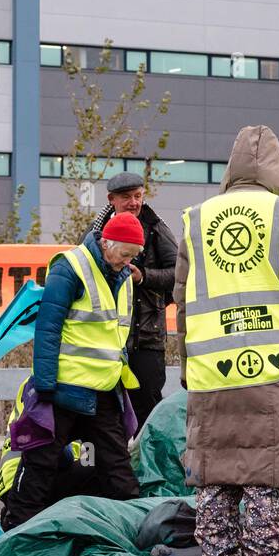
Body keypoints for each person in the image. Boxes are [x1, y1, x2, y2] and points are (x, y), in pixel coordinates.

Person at [174, 125, 279, 556]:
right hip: (269, 368)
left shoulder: (195, 219)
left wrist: (189, 362)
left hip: (211, 368)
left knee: (215, 480)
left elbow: (181, 302)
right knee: (268, 478)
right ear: (278, 168)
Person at [2, 212, 144, 530]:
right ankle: (16, 532)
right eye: (125, 255)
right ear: (107, 244)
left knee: (118, 469)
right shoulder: (70, 268)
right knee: (41, 465)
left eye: (133, 256)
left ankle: (136, 534)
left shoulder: (123, 277)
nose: (128, 263)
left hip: (104, 388)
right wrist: (45, 383)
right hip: (63, 388)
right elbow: (48, 328)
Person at [85, 172, 179, 430]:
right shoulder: (94, 234)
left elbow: (180, 273)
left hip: (147, 339)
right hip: (105, 340)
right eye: (126, 197)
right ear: (111, 199)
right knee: (106, 413)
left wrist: (144, 277)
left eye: (138, 196)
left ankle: (147, 468)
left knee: (147, 412)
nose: (134, 203)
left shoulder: (157, 229)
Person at [0, 377, 98, 528]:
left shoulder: (37, 381)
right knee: (96, 473)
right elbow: (53, 452)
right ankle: (24, 518)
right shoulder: (59, 388)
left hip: (15, 481)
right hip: (27, 480)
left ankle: (19, 514)